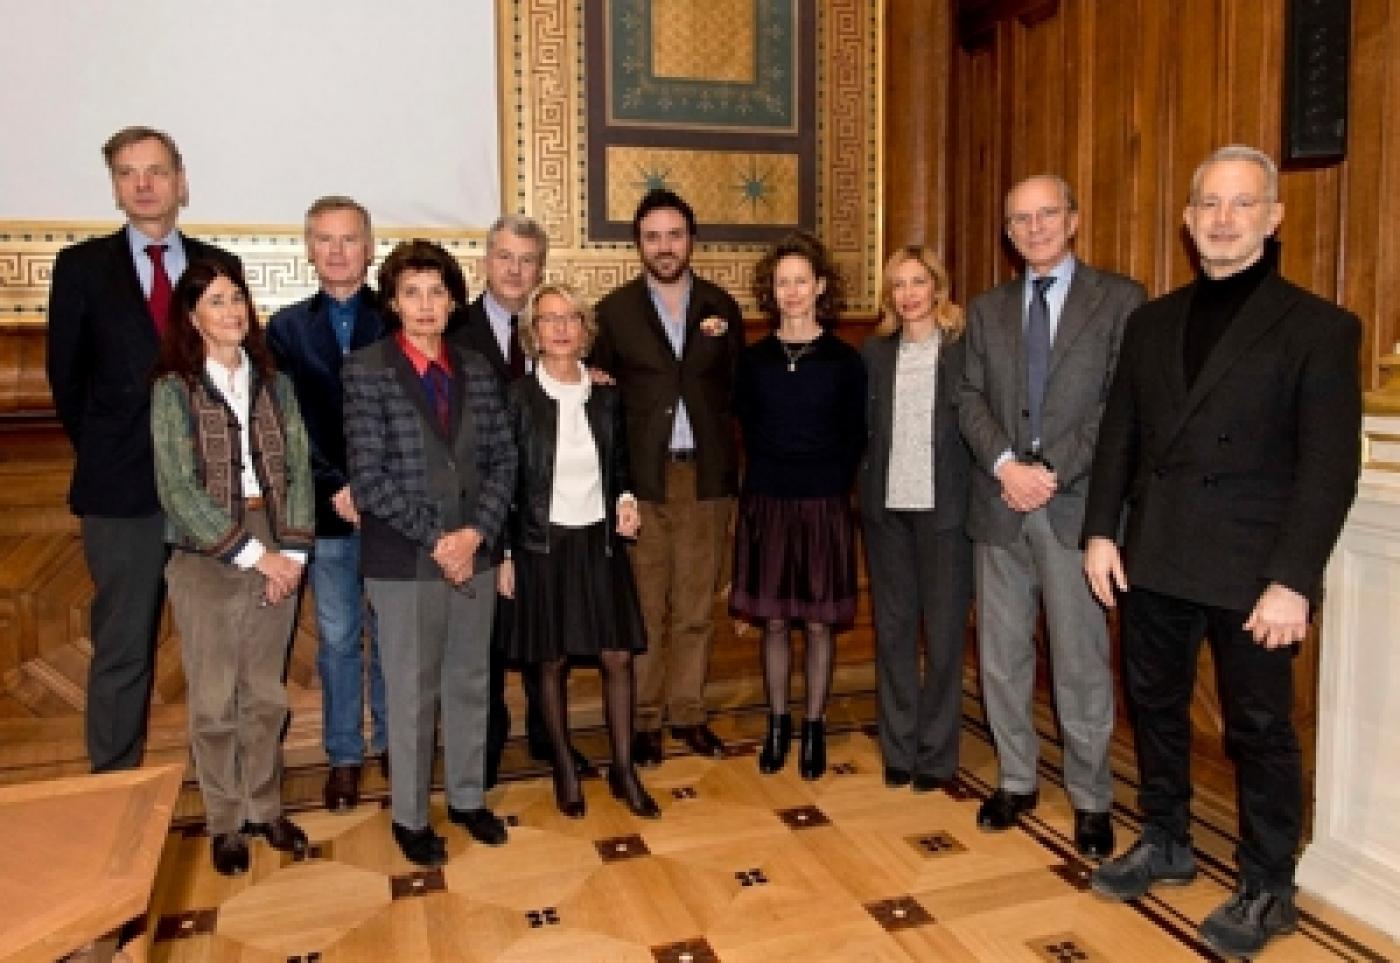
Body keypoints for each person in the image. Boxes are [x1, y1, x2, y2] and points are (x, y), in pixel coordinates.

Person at [1083, 145, 1362, 958]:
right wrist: (1102, 530)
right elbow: (1119, 437)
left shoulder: (1320, 327)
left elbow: (1328, 469)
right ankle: (1165, 838)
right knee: (1157, 709)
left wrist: (1293, 580)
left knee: (1260, 729)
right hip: (1156, 557)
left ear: (1274, 217)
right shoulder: (1151, 321)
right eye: (1209, 203)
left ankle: (1269, 883)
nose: (1223, 218)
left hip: (1254, 572)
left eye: (1243, 204)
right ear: (1187, 218)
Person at [957, 174, 1145, 859]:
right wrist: (1007, 464)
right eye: (1020, 220)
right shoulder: (985, 309)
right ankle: (1015, 778)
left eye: (1047, 214)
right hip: (1001, 505)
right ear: (1008, 233)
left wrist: (1050, 471)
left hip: (1076, 507)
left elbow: (1119, 405)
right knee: (1003, 659)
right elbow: (969, 397)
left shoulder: (1120, 300)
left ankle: (1092, 796)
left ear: (1073, 218)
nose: (1034, 228)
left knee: (1080, 660)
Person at [46, 126, 241, 773]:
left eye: (156, 170)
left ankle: (230, 787)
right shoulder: (81, 267)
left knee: (219, 646)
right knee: (123, 646)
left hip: (211, 491)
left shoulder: (219, 267)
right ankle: (112, 784)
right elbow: (65, 379)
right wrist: (115, 449)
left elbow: (239, 375)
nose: (144, 183)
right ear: (115, 187)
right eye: (128, 173)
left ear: (180, 180)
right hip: (120, 491)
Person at [343, 239, 516, 867]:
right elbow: (369, 477)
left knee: (470, 682)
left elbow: (504, 461)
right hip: (406, 560)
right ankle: (411, 817)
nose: (424, 305)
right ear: (392, 301)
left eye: (436, 292)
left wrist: (474, 535)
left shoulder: (476, 367)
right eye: (411, 292)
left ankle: (469, 799)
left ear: (452, 300)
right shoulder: (367, 369)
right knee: (411, 692)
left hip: (475, 553)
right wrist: (439, 538)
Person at [150, 261, 313, 875]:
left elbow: (297, 468)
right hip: (206, 554)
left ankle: (265, 808)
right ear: (192, 316)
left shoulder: (276, 383)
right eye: (217, 302)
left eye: (238, 300)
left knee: (265, 694)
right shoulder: (173, 388)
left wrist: (291, 554)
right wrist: (254, 555)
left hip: (277, 538)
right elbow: (176, 488)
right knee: (215, 698)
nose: (232, 312)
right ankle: (226, 822)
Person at [591, 189, 745, 765]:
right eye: (652, 236)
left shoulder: (720, 307)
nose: (664, 247)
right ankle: (646, 719)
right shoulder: (614, 312)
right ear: (639, 245)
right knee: (649, 606)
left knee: (696, 606)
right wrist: (617, 485)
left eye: (674, 235)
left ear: (691, 241)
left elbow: (733, 392)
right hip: (644, 480)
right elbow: (601, 400)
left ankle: (689, 713)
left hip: (705, 479)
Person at [498, 282, 659, 819]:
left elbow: (619, 470)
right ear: (533, 333)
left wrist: (628, 500)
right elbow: (503, 482)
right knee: (552, 659)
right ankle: (564, 767)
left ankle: (623, 768)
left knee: (617, 655)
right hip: (541, 544)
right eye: (549, 319)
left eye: (570, 318)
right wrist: (502, 554)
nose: (561, 328)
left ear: (585, 330)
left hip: (598, 541)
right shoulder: (516, 399)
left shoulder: (606, 397)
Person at [447, 214, 596, 787]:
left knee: (545, 631)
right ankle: (484, 747)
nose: (515, 269)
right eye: (505, 257)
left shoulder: (555, 331)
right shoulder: (455, 330)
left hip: (544, 511)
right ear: (486, 261)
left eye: (528, 260)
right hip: (478, 508)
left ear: (541, 267)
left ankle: (548, 736)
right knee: (482, 639)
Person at [267, 196, 388, 812]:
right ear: (309, 248)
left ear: (369, 248)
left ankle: (396, 744)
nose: (338, 251)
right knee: (339, 636)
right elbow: (288, 424)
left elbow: (412, 415)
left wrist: (373, 485)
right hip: (324, 507)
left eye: (349, 239)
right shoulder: (285, 329)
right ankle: (344, 755)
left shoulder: (397, 317)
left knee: (392, 633)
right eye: (324, 239)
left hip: (393, 508)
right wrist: (338, 481)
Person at [730, 231, 866, 781]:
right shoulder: (754, 359)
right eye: (782, 282)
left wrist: (828, 483)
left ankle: (813, 726)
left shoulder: (844, 361)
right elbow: (743, 426)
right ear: (772, 290)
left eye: (801, 281)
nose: (791, 291)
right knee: (777, 622)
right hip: (767, 500)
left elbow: (857, 434)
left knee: (817, 625)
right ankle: (778, 723)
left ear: (820, 287)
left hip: (823, 502)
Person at [859, 246, 973, 792]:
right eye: (898, 285)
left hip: (946, 513)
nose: (908, 295)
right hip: (887, 515)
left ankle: (936, 754)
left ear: (937, 287)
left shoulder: (964, 350)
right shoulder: (874, 355)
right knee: (895, 632)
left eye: (918, 282)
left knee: (946, 637)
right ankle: (898, 749)